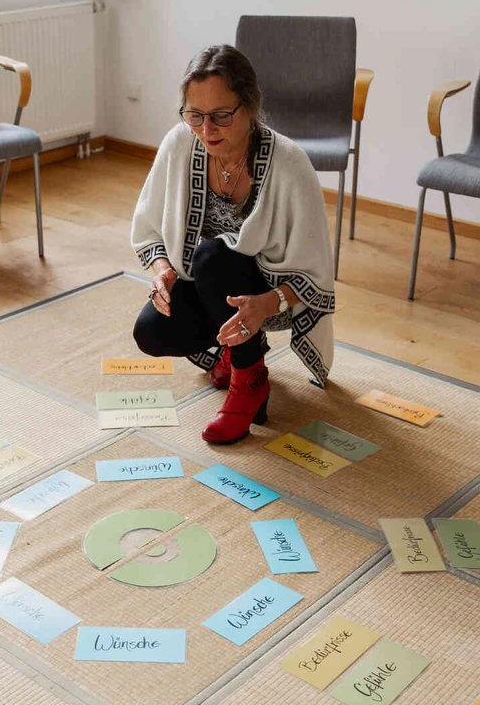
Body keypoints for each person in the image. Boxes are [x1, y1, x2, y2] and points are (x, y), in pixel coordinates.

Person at [131, 44, 335, 445]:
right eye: (195, 115)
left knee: (213, 255)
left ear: (250, 106)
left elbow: (315, 273)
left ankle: (249, 380)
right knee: (151, 332)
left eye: (222, 115)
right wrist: (163, 272)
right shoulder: (179, 144)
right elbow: (149, 225)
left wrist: (266, 304)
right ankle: (237, 351)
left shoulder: (290, 164)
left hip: (271, 299)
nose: (207, 129)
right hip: (210, 290)